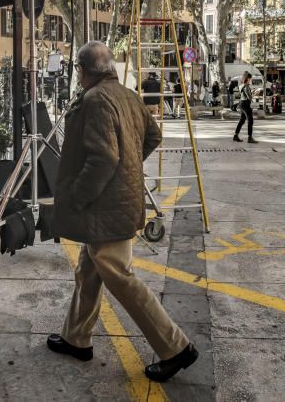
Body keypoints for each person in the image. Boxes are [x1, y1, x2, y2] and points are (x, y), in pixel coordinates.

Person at [48, 41, 198, 382]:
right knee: (89, 271)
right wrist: (128, 169)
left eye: (77, 70)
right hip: (115, 202)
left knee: (120, 276)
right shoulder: (127, 95)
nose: (77, 75)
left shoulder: (96, 99)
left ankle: (176, 348)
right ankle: (77, 338)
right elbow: (152, 136)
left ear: (84, 70)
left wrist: (77, 195)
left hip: (102, 207)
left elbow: (103, 159)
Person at [233, 71, 257, 143]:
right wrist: (255, 93)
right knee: (250, 120)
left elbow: (244, 94)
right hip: (246, 105)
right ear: (248, 78)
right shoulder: (246, 87)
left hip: (242, 104)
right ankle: (250, 138)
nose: (251, 80)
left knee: (242, 120)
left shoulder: (241, 86)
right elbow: (249, 97)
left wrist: (251, 92)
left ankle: (235, 135)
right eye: (250, 79)